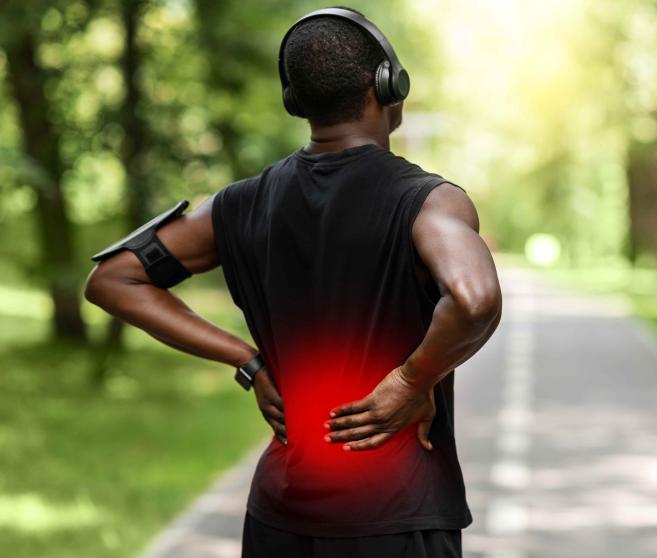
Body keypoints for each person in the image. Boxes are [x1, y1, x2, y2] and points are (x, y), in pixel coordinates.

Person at [84, 7, 501, 557]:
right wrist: (409, 379)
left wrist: (246, 359)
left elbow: (113, 279)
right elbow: (475, 300)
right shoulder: (427, 202)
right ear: (388, 86)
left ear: (295, 100)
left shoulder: (237, 205)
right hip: (397, 517)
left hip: (279, 518)